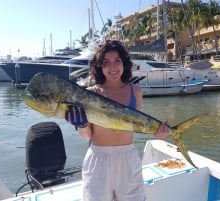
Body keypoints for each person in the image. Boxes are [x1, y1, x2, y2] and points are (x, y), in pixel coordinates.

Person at [65, 40, 169, 201]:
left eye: (117, 61)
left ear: (125, 63)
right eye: (106, 63)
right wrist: (82, 125)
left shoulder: (136, 91)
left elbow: (136, 126)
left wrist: (158, 131)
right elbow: (88, 136)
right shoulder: (89, 94)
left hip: (128, 158)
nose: (112, 68)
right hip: (98, 159)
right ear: (100, 66)